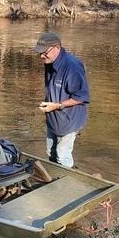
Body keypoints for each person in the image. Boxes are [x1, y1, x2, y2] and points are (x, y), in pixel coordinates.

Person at [33, 32, 90, 169]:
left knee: (62, 154)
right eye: (40, 53)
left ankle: (68, 183)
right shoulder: (49, 61)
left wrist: (57, 105)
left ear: (57, 47)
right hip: (53, 116)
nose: (41, 56)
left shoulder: (72, 67)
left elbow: (81, 97)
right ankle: (54, 176)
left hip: (69, 119)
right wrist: (49, 103)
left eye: (44, 52)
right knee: (50, 152)